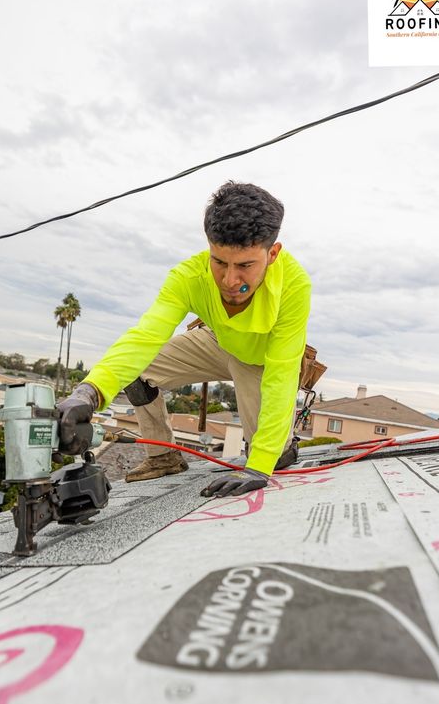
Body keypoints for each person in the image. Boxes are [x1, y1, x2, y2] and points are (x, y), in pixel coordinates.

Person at [56, 180, 311, 497]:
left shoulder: (294, 285)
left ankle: (285, 448)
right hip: (218, 342)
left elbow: (282, 373)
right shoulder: (188, 277)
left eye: (245, 265)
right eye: (219, 262)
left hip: (261, 361)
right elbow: (144, 338)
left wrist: (259, 465)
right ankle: (164, 458)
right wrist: (88, 393)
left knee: (273, 455)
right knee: (138, 369)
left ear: (272, 254)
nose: (230, 281)